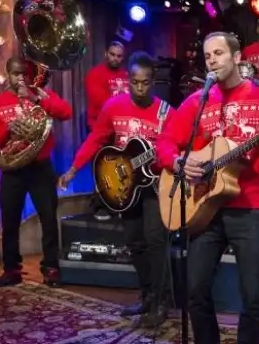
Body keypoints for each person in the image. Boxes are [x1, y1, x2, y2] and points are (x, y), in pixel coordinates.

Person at [156, 31, 259, 344]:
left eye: (218, 54)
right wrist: (178, 162)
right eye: (207, 56)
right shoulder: (197, 101)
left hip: (251, 208)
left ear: (236, 57)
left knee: (253, 296)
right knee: (194, 290)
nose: (212, 61)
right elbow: (164, 142)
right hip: (205, 207)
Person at [58, 52, 174, 327]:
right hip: (126, 187)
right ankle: (147, 296)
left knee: (156, 242)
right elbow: (96, 140)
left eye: (145, 83)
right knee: (135, 242)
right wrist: (73, 169)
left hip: (155, 186)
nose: (140, 88)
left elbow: (173, 147)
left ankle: (162, 302)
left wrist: (163, 156)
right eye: (135, 82)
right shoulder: (113, 106)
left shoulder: (166, 113)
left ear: (153, 82)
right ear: (128, 80)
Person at [0, 57, 73, 288]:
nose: (20, 78)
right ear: (8, 74)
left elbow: (66, 112)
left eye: (24, 73)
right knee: (10, 220)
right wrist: (7, 128)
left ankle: (51, 268)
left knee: (48, 219)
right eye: (15, 74)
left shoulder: (40, 95)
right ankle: (12, 270)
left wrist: (36, 98)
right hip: (13, 169)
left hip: (41, 168)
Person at [84, 41, 129, 221]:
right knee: (101, 169)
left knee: (121, 169)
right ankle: (100, 205)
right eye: (112, 54)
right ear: (106, 54)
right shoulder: (95, 75)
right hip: (101, 131)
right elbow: (102, 103)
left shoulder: (126, 75)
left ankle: (121, 204)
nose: (115, 58)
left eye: (119, 56)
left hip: (123, 132)